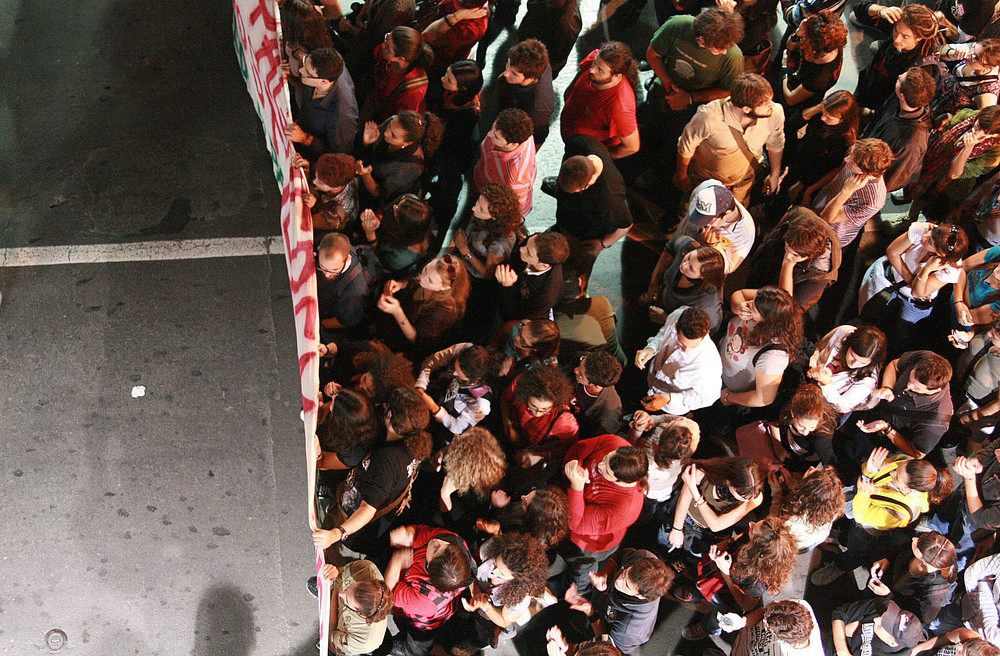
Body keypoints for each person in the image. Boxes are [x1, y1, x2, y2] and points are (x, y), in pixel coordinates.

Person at [313, 387, 433, 558]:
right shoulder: (411, 442)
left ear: (390, 415)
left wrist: (336, 534)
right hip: (352, 511)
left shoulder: (386, 462)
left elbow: (367, 509)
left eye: (387, 406)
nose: (383, 405)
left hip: (351, 534)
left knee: (326, 558)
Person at [811, 447, 953, 585]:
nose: (893, 473)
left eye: (897, 477)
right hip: (857, 497)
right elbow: (873, 472)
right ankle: (839, 536)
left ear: (909, 490)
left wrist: (864, 493)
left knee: (856, 552)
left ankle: (841, 566)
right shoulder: (905, 461)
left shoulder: (902, 513)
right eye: (897, 469)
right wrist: (868, 470)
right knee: (845, 527)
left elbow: (861, 516)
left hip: (865, 529)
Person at [644, 8, 745, 168]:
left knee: (674, 141)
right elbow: (653, 54)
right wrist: (670, 85)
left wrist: (689, 98)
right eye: (719, 49)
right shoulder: (678, 25)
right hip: (663, 88)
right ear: (700, 39)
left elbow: (727, 90)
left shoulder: (733, 57)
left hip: (694, 108)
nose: (725, 51)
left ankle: (658, 170)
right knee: (651, 122)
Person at [676, 516, 798, 640]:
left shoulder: (759, 581)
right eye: (756, 523)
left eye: (753, 529)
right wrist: (727, 542)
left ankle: (707, 628)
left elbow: (746, 605)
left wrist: (725, 573)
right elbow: (741, 536)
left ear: (758, 549)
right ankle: (698, 593)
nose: (750, 523)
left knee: (718, 615)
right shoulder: (764, 538)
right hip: (719, 574)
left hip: (727, 595)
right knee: (704, 584)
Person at [675, 73, 785, 205]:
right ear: (746, 109)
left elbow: (776, 144)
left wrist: (774, 175)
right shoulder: (708, 117)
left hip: (743, 182)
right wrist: (682, 175)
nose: (772, 105)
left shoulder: (775, 113)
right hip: (707, 180)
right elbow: (687, 145)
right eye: (766, 103)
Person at [859, 223, 968, 355]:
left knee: (902, 330)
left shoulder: (951, 268)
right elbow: (892, 251)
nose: (926, 236)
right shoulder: (924, 229)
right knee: (871, 313)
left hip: (914, 302)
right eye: (931, 233)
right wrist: (912, 280)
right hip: (892, 281)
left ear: (940, 254)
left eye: (930, 242)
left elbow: (917, 293)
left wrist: (927, 269)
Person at [561, 435, 647, 594]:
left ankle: (578, 594)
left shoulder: (625, 508)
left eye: (606, 471)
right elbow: (581, 447)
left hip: (587, 543)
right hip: (566, 514)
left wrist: (576, 487)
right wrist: (573, 461)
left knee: (581, 570)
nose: (600, 465)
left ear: (621, 481)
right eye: (607, 458)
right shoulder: (616, 443)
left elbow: (576, 524)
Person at [384, 524, 475, 656]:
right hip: (416, 593)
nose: (437, 541)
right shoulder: (451, 542)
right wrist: (409, 535)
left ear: (430, 569)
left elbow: (388, 594)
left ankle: (410, 650)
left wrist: (397, 561)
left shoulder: (425, 599)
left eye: (436, 549)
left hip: (420, 621)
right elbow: (421, 532)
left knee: (418, 641)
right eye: (445, 545)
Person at [452, 534, 549, 655]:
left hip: (489, 616)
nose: (493, 571)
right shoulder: (494, 546)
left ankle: (478, 643)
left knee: (482, 631)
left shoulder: (522, 596)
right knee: (464, 616)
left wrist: (486, 606)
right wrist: (475, 592)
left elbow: (504, 620)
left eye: (501, 574)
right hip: (472, 594)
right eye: (496, 564)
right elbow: (471, 565)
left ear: (518, 579)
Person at [562, 549, 673, 655]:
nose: (618, 580)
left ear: (641, 596)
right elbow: (620, 556)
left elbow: (607, 648)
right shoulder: (643, 557)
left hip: (608, 630)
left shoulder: (630, 630)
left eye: (627, 585)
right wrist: (605, 574)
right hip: (603, 603)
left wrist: (591, 613)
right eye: (625, 572)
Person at [549, 135, 633, 273]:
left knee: (576, 267)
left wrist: (602, 244)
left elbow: (625, 225)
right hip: (568, 218)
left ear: (588, 184)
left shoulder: (609, 198)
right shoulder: (581, 143)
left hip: (585, 235)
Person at [851, 351, 954, 460]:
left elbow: (917, 453)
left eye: (917, 387)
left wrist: (887, 429)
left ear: (936, 390)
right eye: (910, 378)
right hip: (876, 413)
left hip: (885, 446)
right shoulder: (925, 358)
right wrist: (887, 387)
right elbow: (894, 365)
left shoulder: (936, 420)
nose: (909, 385)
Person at [905, 106, 1000, 221]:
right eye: (979, 126)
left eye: (986, 133)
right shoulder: (968, 116)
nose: (978, 133)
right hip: (930, 166)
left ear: (996, 135)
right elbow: (942, 132)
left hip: (950, 188)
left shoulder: (994, 155)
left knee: (931, 210)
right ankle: (908, 211)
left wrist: (967, 148)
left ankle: (912, 223)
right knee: (917, 193)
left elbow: (954, 174)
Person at [719, 286, 804, 410]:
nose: (749, 304)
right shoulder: (765, 301)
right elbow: (739, 293)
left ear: (767, 319)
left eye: (754, 307)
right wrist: (738, 306)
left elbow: (764, 398)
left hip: (726, 386)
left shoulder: (773, 356)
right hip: (716, 362)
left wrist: (729, 397)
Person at [746, 206, 842, 311]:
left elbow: (785, 303)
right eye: (787, 247)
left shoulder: (820, 274)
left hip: (781, 304)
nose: (788, 255)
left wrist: (788, 264)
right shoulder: (800, 217)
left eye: (795, 255)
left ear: (809, 256)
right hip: (768, 269)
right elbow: (787, 216)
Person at [665, 457, 764, 555]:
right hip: (684, 518)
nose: (745, 500)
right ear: (731, 481)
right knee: (665, 545)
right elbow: (684, 500)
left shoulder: (754, 499)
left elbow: (716, 525)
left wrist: (694, 491)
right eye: (741, 495)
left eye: (748, 497)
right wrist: (677, 529)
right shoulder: (703, 473)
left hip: (706, 535)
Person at [634, 306, 723, 415]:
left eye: (692, 347)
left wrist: (669, 398)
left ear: (706, 333)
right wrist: (651, 349)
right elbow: (663, 333)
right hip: (651, 379)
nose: (686, 350)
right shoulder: (677, 314)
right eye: (682, 344)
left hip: (668, 408)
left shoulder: (709, 361)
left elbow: (710, 396)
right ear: (676, 326)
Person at [807, 137, 894, 249]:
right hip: (818, 205)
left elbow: (826, 218)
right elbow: (838, 171)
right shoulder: (856, 153)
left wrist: (847, 191)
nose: (847, 159)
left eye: (852, 161)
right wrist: (811, 189)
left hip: (827, 234)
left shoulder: (873, 201)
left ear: (867, 172)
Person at [852, 3, 941, 112]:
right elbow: (859, 11)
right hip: (868, 82)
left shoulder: (922, 68)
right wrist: (881, 10)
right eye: (895, 31)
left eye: (905, 36)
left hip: (880, 103)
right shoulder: (901, 26)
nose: (897, 40)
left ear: (919, 38)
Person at [427, 59, 483, 229]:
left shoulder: (465, 118)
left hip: (452, 160)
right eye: (446, 74)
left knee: (445, 194)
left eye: (449, 80)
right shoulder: (453, 96)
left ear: (462, 89)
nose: (443, 79)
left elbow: (448, 145)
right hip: (444, 151)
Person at [377, 254, 470, 357]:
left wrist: (397, 312)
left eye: (430, 280)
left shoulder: (443, 311)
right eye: (425, 270)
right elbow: (415, 279)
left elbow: (416, 340)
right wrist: (401, 284)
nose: (422, 278)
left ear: (444, 288)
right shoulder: (427, 278)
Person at [560, 42, 640, 158]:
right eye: (594, 63)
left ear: (616, 75)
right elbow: (579, 77)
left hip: (584, 148)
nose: (592, 70)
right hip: (571, 130)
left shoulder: (620, 108)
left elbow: (632, 146)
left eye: (600, 70)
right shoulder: (598, 58)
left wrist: (598, 157)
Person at [736, 383, 838, 473]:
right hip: (786, 448)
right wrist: (778, 447)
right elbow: (773, 421)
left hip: (807, 459)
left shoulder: (823, 433)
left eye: (811, 427)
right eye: (801, 426)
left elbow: (829, 463)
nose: (806, 432)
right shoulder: (786, 404)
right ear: (793, 414)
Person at [862, 67, 936, 193]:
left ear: (902, 96)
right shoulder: (899, 100)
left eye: (900, 79)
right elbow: (878, 117)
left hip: (865, 181)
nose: (899, 75)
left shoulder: (912, 142)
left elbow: (893, 181)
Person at [865, 532, 958, 626]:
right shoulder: (926, 548)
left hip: (890, 607)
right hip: (885, 584)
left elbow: (917, 619)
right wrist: (887, 559)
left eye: (916, 546)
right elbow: (901, 549)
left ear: (925, 561)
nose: (914, 539)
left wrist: (888, 595)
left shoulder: (934, 595)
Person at [355, 111, 443, 208]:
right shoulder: (393, 122)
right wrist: (366, 143)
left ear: (407, 143)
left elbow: (379, 193)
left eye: (393, 135)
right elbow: (367, 154)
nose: (386, 133)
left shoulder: (412, 165)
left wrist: (365, 175)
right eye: (389, 126)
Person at [784, 90, 859, 203]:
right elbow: (792, 123)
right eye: (823, 113)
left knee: (790, 198)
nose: (823, 118)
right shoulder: (822, 116)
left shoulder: (843, 141)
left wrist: (801, 184)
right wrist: (817, 109)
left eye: (829, 117)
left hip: (807, 176)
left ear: (842, 119)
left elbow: (823, 168)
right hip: (798, 159)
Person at [286, 47, 360, 160]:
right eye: (305, 63)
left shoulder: (342, 116)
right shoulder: (329, 66)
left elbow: (339, 156)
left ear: (324, 81)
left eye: (307, 72)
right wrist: (291, 75)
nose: (301, 70)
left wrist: (305, 139)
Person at [642, 235, 726, 333]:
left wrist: (666, 319)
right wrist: (654, 284)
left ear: (703, 276)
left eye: (691, 268)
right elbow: (673, 243)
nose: (683, 265)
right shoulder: (687, 249)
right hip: (661, 303)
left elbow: (704, 333)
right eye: (689, 257)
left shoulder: (707, 303)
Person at [502, 363, 580, 467]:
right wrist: (508, 426)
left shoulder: (564, 421)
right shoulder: (520, 383)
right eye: (533, 406)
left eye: (545, 409)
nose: (537, 413)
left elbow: (571, 447)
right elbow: (504, 400)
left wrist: (540, 455)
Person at [415, 342, 497, 439]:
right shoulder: (465, 349)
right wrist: (421, 384)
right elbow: (433, 360)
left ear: (476, 378)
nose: (454, 373)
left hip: (444, 423)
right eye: (455, 367)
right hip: (436, 387)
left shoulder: (482, 403)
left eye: (459, 374)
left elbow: (458, 427)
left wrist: (434, 408)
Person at [674, 180, 755, 274]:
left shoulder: (745, 232)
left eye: (708, 220)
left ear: (726, 214)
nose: (700, 224)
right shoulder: (707, 187)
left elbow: (728, 268)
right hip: (679, 244)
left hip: (694, 272)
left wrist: (715, 247)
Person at [315, 560, 393, 656]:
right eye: (349, 587)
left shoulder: (363, 640)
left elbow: (329, 638)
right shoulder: (365, 568)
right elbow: (341, 574)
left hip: (354, 646)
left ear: (361, 614)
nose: (341, 593)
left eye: (347, 601)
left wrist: (334, 593)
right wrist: (334, 573)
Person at [806, 324, 887, 416]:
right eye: (852, 356)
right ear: (848, 345)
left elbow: (841, 406)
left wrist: (826, 384)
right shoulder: (843, 333)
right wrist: (812, 366)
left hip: (825, 408)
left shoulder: (868, 380)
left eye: (862, 363)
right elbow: (818, 347)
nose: (854, 364)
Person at [473, 108, 538, 217]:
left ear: (513, 145)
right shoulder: (508, 130)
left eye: (496, 137)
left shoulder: (517, 178)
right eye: (492, 129)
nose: (489, 134)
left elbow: (513, 210)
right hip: (483, 183)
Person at [629, 412, 700, 511]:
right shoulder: (692, 431)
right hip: (668, 487)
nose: (683, 419)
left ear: (661, 435)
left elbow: (629, 449)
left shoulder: (647, 461)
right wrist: (652, 420)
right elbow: (668, 418)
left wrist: (637, 429)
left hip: (650, 490)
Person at [316, 232, 382, 335]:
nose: (327, 275)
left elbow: (345, 321)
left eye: (334, 270)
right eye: (322, 268)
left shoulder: (355, 291)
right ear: (319, 249)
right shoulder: (328, 243)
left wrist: (319, 325)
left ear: (347, 259)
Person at [779, 10, 847, 107]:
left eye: (805, 38)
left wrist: (784, 69)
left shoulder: (821, 78)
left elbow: (790, 99)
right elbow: (790, 46)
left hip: (795, 99)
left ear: (814, 47)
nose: (801, 43)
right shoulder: (829, 41)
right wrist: (799, 32)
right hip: (793, 74)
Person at [496, 232, 570, 321]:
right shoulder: (533, 244)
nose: (521, 249)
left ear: (543, 265)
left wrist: (507, 286)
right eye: (527, 242)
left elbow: (514, 317)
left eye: (528, 252)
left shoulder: (548, 294)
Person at [497, 39, 557, 148]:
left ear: (531, 78)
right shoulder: (535, 63)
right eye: (508, 65)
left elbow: (538, 136)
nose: (505, 74)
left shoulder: (538, 108)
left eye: (514, 73)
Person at [368, 26, 434, 122]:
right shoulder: (385, 55)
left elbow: (401, 120)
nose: (383, 46)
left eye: (388, 48)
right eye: (387, 38)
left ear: (401, 58)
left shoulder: (411, 91)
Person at [771, 465, 844, 551]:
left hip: (789, 544)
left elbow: (772, 524)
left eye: (811, 472)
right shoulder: (832, 506)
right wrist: (791, 483)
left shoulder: (792, 522)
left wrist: (776, 492)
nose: (811, 467)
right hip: (814, 539)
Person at [361, 194, 433, 276]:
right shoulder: (408, 199)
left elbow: (380, 263)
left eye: (397, 210)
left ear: (402, 226)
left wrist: (370, 234)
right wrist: (377, 217)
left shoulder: (403, 257)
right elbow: (385, 207)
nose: (395, 206)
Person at [419, 0, 489, 81]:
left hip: (434, 61)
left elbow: (428, 36)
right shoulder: (461, 5)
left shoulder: (470, 29)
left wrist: (455, 17)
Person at [931, 40, 1000, 119]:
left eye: (976, 58)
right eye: (972, 50)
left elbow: (979, 121)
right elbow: (940, 50)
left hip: (944, 117)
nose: (969, 56)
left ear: (990, 67)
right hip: (938, 93)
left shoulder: (988, 93)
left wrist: (954, 119)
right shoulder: (976, 51)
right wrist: (953, 53)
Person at [729, 599, 825, 656]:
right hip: (741, 640)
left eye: (768, 624)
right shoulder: (802, 606)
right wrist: (742, 622)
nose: (763, 621)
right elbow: (766, 609)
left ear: (782, 637)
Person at [830, 599, 925, 656]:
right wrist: (842, 650)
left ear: (892, 643)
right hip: (829, 641)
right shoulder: (884, 606)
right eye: (887, 615)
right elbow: (839, 613)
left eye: (882, 625)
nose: (876, 619)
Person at [517, 0, 582, 77]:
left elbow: (556, 61)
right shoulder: (549, 4)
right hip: (527, 44)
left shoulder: (567, 25)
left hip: (536, 65)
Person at [569, 352, 624, 438]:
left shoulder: (609, 415)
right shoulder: (584, 360)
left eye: (581, 376)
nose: (575, 370)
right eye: (580, 364)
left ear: (596, 385)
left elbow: (595, 441)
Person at [305, 152, 360, 233]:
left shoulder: (336, 215)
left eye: (321, 182)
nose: (315, 182)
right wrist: (305, 171)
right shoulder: (335, 175)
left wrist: (310, 207)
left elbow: (304, 224)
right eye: (316, 177)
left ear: (337, 187)